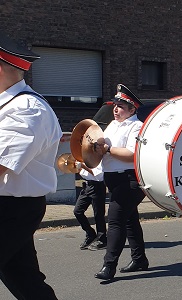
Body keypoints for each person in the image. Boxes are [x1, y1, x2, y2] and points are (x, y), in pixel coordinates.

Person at [0, 33, 60, 299]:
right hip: (9, 207)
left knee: (25, 280)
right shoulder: (9, 104)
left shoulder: (27, 109)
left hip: (13, 209)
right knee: (26, 281)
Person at [94, 84, 149, 280]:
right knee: (129, 219)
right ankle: (140, 259)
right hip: (114, 178)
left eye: (121, 106)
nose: (115, 109)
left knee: (115, 220)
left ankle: (109, 266)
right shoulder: (113, 125)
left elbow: (132, 154)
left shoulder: (137, 127)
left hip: (130, 179)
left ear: (132, 109)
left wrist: (107, 149)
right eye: (115, 105)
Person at [73, 162, 107, 251]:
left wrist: (84, 166)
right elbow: (83, 173)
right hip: (87, 186)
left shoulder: (99, 159)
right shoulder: (85, 159)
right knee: (77, 211)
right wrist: (78, 168)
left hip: (97, 186)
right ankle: (90, 234)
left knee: (98, 214)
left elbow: (99, 176)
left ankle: (102, 239)